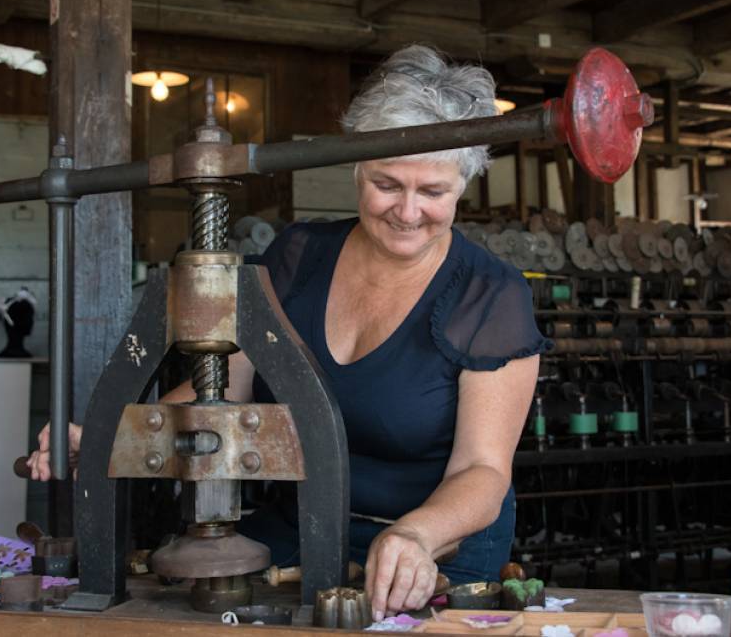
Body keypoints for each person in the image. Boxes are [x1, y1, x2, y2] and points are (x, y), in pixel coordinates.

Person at [27, 44, 548, 621]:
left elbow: (483, 470)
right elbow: (230, 388)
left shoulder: (490, 295)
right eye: (387, 184)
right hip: (294, 532)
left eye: (433, 192)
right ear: (355, 168)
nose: (406, 211)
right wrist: (110, 437)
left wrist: (416, 536)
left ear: (464, 186)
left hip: (431, 552)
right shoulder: (298, 256)